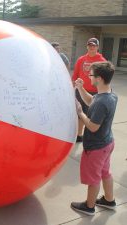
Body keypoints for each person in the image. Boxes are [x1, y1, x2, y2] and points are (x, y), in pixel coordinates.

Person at [71, 61, 118, 216]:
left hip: (97, 147)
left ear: (99, 78)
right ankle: (109, 200)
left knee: (94, 178)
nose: (88, 76)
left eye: (91, 75)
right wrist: (80, 88)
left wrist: (80, 113)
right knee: (105, 173)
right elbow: (92, 101)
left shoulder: (102, 102)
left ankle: (89, 206)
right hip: (107, 143)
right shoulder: (110, 94)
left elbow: (92, 127)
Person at [72, 38, 106, 142]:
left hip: (95, 93)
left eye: (94, 45)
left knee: (93, 115)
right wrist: (72, 86)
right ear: (87, 46)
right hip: (81, 90)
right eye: (90, 45)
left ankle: (93, 136)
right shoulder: (81, 59)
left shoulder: (102, 61)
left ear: (97, 47)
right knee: (80, 112)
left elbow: (105, 79)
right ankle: (79, 135)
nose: (92, 47)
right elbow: (75, 75)